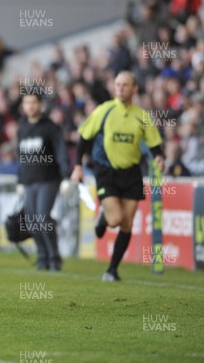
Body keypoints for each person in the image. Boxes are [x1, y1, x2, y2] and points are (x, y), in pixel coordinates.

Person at [71, 71, 165, 282]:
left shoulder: (142, 116)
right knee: (115, 219)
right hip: (106, 171)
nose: (121, 88)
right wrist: (77, 165)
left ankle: (112, 270)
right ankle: (104, 216)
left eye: (125, 85)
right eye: (118, 84)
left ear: (134, 89)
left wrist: (159, 157)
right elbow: (84, 137)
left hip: (131, 172)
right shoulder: (104, 110)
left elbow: (154, 143)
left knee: (127, 224)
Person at [17, 93, 70, 271]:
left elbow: (62, 152)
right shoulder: (22, 129)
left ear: (40, 104)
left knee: (42, 217)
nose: (30, 106)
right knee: (32, 222)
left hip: (49, 179)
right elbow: (21, 158)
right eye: (27, 103)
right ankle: (42, 257)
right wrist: (19, 181)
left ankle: (54, 257)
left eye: (33, 102)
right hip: (29, 182)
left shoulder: (51, 128)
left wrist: (66, 177)